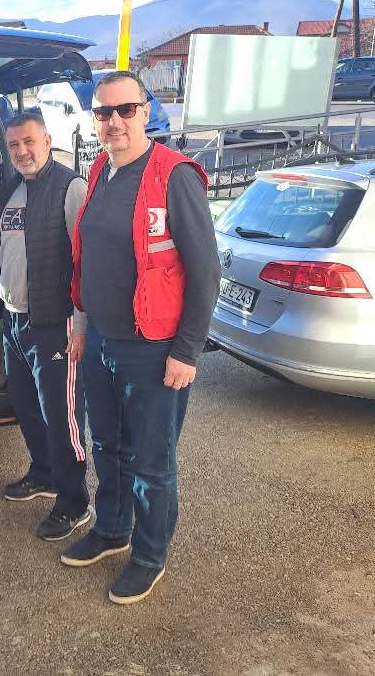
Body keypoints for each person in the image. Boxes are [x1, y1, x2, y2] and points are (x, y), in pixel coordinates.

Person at [60, 71, 221, 604]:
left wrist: (186, 351)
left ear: (146, 112)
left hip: (153, 347)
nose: (114, 121)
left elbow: (206, 272)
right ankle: (112, 530)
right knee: (108, 446)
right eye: (103, 112)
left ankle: (150, 557)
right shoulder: (99, 171)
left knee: (151, 462)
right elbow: (89, 260)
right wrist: (82, 327)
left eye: (125, 109)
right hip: (102, 342)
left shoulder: (174, 176)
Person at [0, 112, 91, 541]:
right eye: (13, 145)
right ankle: (44, 474)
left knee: (62, 417)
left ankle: (74, 502)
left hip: (54, 323)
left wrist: (80, 326)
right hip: (14, 320)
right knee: (26, 407)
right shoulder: (11, 190)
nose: (21, 151)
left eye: (29, 141)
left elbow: (85, 262)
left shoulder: (69, 187)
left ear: (46, 139)